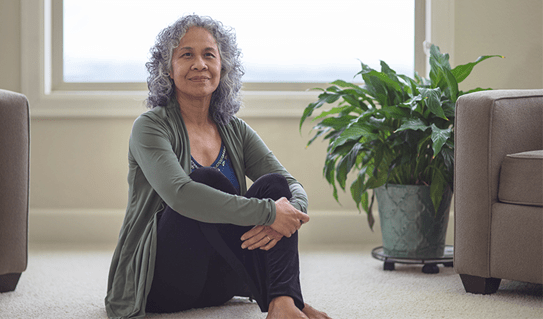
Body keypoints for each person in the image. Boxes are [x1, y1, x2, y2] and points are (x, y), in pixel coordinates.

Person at [105, 14, 331, 319]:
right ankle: (286, 300)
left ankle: (284, 301)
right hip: (164, 284)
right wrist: (270, 213)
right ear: (168, 70)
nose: (200, 64)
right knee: (206, 180)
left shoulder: (234, 129)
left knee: (274, 186)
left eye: (209, 55)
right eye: (187, 55)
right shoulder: (150, 127)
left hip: (224, 282)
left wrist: (291, 210)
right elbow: (181, 194)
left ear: (222, 67)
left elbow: (288, 183)